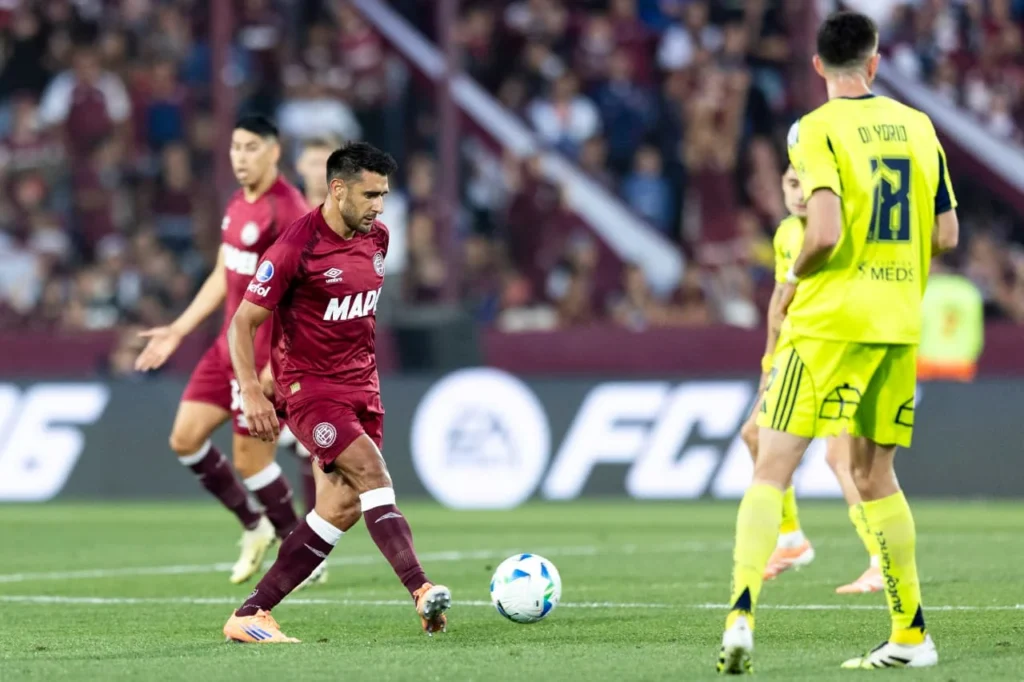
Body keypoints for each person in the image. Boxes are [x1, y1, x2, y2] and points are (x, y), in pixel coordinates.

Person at [717, 11, 958, 673]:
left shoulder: (817, 129)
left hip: (828, 322)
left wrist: (795, 277)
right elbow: (946, 237)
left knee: (771, 463)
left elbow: (821, 231)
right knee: (874, 475)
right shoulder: (920, 127)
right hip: (898, 323)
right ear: (875, 63)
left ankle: (740, 617)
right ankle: (911, 638)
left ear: (818, 66)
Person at [222, 142, 451, 643]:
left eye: (385, 195)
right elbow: (243, 324)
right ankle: (421, 588)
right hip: (311, 392)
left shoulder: (380, 239)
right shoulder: (294, 247)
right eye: (371, 195)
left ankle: (251, 614)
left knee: (340, 510)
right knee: (373, 473)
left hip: (364, 388)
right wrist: (254, 392)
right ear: (337, 188)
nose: (380, 206)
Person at [134, 115, 310, 585]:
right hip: (225, 345)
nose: (241, 157)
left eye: (251, 147)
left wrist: (277, 361)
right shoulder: (236, 202)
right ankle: (255, 527)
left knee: (252, 461)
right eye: (235, 147)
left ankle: (300, 550)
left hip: (261, 354)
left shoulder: (288, 211)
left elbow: (300, 294)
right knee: (185, 439)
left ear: (275, 151)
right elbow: (222, 273)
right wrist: (177, 329)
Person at [740, 165, 882, 594]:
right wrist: (768, 363)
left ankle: (880, 558)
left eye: (808, 184)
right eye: (791, 183)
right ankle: (791, 539)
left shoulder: (837, 227)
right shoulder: (786, 234)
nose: (800, 193)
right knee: (753, 436)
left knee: (843, 460)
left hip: (837, 351)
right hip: (795, 355)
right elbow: (780, 305)